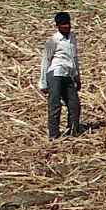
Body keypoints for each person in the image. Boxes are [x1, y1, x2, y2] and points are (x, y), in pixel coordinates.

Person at [40, 12, 80, 140]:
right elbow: (46, 60)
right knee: (55, 105)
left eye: (68, 23)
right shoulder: (53, 41)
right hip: (55, 75)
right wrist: (43, 82)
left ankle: (73, 131)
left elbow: (74, 58)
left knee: (74, 105)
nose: (67, 26)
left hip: (68, 75)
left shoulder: (72, 38)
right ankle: (53, 134)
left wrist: (77, 77)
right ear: (57, 26)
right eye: (63, 24)